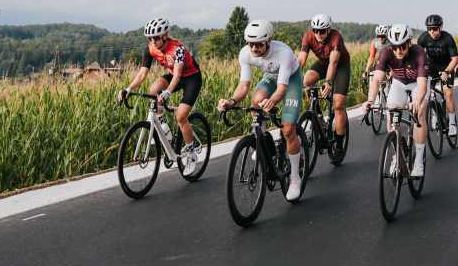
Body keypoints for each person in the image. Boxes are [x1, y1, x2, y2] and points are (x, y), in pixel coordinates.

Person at [217, 19, 305, 201]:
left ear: (268, 41)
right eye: (251, 45)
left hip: (291, 80)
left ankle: (295, 177)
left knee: (288, 130)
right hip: (271, 78)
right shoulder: (245, 54)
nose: (255, 49)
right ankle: (261, 139)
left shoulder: (284, 53)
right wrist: (231, 101)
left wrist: (272, 101)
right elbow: (244, 85)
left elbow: (281, 90)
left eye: (259, 45)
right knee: (256, 101)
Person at [118, 17, 204, 174]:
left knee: (180, 116)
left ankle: (191, 152)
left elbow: (178, 75)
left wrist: (167, 92)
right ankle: (162, 123)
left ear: (165, 35)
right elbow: (143, 73)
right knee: (153, 90)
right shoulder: (151, 48)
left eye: (156, 37)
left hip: (191, 78)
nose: (153, 41)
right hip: (174, 76)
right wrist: (128, 88)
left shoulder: (177, 49)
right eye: (150, 38)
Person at [366, 24, 428, 177]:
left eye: (402, 46)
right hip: (399, 83)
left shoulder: (419, 53)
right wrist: (370, 100)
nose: (398, 51)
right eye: (395, 47)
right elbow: (377, 79)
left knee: (419, 114)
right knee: (391, 116)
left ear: (409, 43)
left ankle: (419, 160)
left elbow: (422, 85)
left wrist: (416, 101)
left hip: (418, 84)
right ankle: (397, 155)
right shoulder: (386, 53)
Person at [296, 14, 350, 152]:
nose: (318, 34)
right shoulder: (308, 37)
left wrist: (328, 82)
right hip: (323, 63)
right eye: (316, 30)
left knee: (338, 105)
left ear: (328, 30)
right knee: (306, 80)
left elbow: (334, 62)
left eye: (322, 31)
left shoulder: (336, 37)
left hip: (340, 66)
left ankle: (338, 143)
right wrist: (291, 77)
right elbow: (301, 60)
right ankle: (318, 113)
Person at [417, 14, 458, 137]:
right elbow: (417, 56)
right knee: (426, 91)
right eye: (429, 29)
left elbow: (455, 59)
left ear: (440, 28)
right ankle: (434, 113)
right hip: (431, 68)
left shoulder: (447, 38)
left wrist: (447, 72)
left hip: (446, 67)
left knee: (448, 93)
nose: (432, 31)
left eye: (435, 29)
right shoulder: (423, 38)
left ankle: (452, 123)